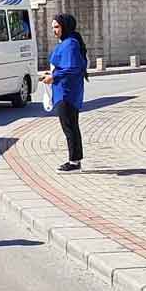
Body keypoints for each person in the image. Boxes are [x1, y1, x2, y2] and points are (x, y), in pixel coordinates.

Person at [40, 13, 88, 172]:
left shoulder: (70, 44)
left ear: (65, 27)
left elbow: (73, 68)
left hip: (67, 93)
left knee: (69, 127)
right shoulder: (67, 42)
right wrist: (51, 74)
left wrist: (54, 77)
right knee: (71, 126)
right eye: (53, 27)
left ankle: (74, 161)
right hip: (64, 91)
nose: (54, 30)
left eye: (57, 27)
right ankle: (75, 159)